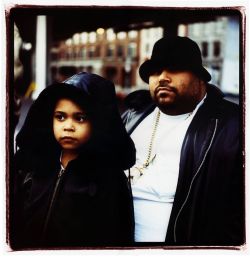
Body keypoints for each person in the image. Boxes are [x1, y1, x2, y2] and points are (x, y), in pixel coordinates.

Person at [122, 36, 244, 246]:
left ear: (200, 79)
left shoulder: (233, 126)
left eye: (174, 69)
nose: (162, 77)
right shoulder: (132, 115)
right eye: (156, 71)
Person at [10, 72, 135, 249]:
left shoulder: (109, 178)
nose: (68, 126)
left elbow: (117, 237)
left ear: (97, 123)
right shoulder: (34, 167)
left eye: (80, 118)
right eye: (60, 117)